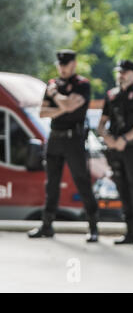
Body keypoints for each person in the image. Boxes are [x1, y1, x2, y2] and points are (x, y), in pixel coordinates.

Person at [28, 49, 99, 242]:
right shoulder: (53, 83)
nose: (61, 68)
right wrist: (63, 105)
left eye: (64, 65)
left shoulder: (82, 84)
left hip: (74, 139)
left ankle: (93, 227)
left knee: (82, 182)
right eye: (59, 65)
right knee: (51, 183)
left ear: (73, 64)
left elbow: (68, 106)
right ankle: (47, 225)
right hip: (55, 138)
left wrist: (56, 99)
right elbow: (42, 112)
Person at [97, 60, 133, 249]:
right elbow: (102, 124)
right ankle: (129, 233)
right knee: (122, 190)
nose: (122, 75)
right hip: (115, 150)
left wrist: (125, 140)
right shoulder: (111, 96)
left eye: (126, 72)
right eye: (120, 72)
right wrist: (109, 139)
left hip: (132, 149)